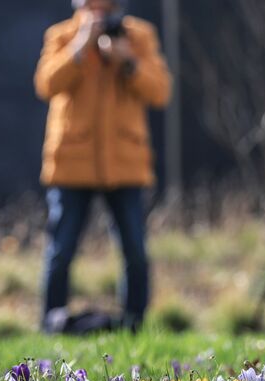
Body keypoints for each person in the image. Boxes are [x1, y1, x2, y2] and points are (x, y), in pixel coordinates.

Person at [34, 0, 171, 333]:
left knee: (135, 249)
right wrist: (80, 47)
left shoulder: (139, 37)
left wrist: (127, 61)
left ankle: (134, 324)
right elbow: (46, 84)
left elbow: (160, 91)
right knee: (61, 248)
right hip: (72, 164)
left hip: (125, 164)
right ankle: (52, 322)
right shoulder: (62, 36)